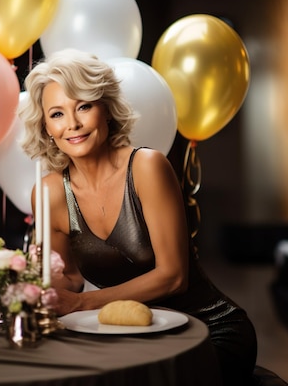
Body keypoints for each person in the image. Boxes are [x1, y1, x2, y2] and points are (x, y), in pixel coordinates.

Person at [18, 48, 257, 386]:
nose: (72, 124)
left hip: (206, 330)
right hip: (127, 334)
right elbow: (67, 277)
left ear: (105, 109)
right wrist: (28, 283)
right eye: (57, 114)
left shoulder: (147, 167)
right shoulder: (50, 192)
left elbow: (174, 277)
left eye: (83, 106)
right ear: (46, 126)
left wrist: (83, 302)